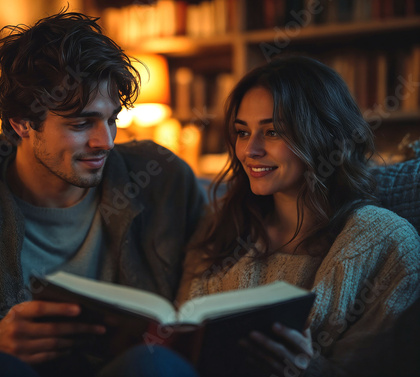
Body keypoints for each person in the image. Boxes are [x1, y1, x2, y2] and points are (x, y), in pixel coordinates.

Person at [0, 11, 204, 377]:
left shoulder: (163, 181)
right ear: (21, 122)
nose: (105, 142)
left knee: (153, 364)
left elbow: (218, 276)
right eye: (81, 123)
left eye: (111, 119)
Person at [177, 56, 420, 376]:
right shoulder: (223, 224)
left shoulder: (387, 243)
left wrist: (310, 370)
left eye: (273, 131)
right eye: (242, 132)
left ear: (327, 135)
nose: (251, 150)